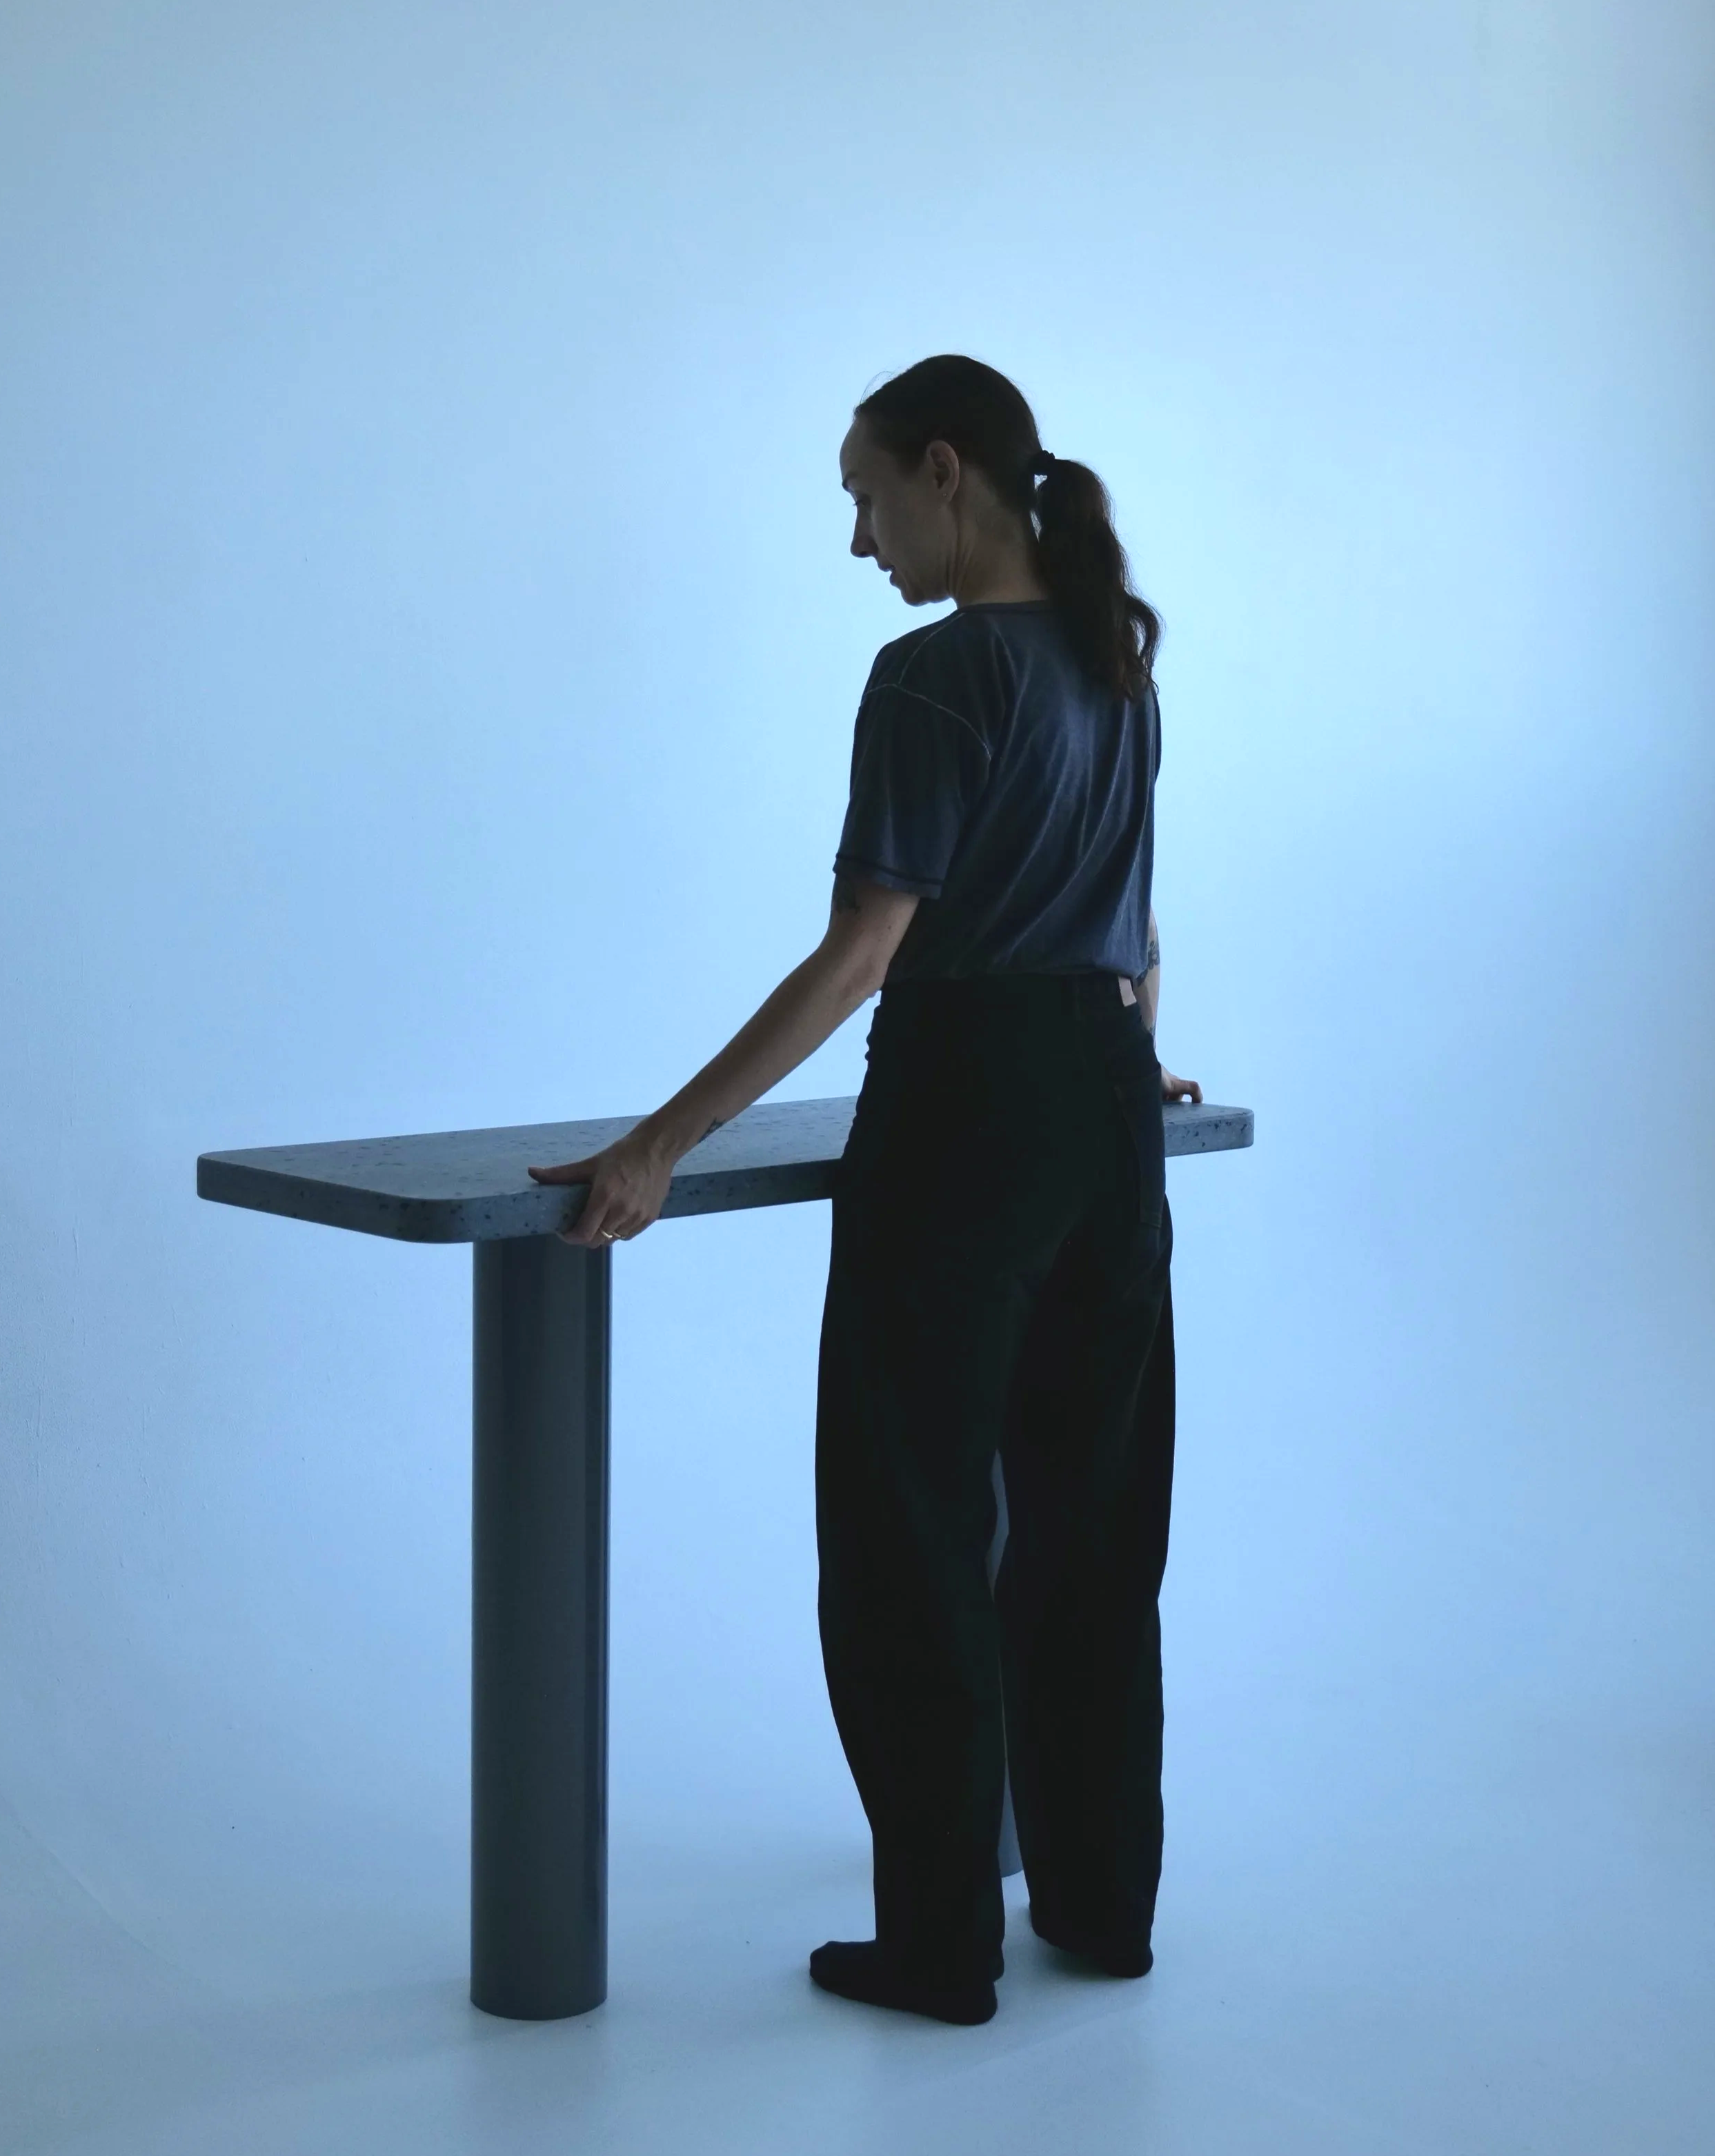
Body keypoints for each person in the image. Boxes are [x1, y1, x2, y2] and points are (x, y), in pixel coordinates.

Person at [529, 353, 1202, 2027]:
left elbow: (862, 956)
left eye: (863, 493)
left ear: (945, 470)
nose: (857, 537)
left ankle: (935, 1949)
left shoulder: (931, 673)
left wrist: (655, 1142)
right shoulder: (1115, 653)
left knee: (907, 1534)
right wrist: (1128, 1052)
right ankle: (1102, 1910)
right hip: (1101, 1111)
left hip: (966, 1113)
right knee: (1092, 1526)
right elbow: (1133, 917)